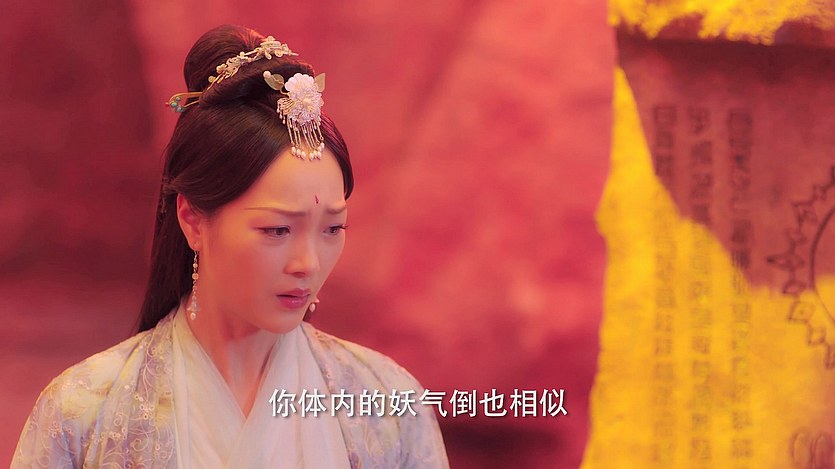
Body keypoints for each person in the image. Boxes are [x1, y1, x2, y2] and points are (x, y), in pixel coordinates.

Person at [12, 24, 449, 468]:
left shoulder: (388, 405)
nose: (309, 263)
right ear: (192, 220)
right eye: (277, 230)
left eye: (332, 229)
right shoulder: (83, 412)